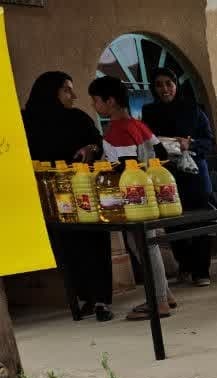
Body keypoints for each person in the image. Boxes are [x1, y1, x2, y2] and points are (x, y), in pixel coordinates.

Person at [22, 71, 114, 322]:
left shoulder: (78, 118)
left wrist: (91, 148)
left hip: (84, 191)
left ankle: (101, 299)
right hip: (53, 195)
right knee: (68, 246)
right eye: (66, 90)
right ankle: (83, 297)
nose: (73, 96)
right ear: (50, 91)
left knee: (94, 242)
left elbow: (97, 142)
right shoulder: (27, 121)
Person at [88, 75, 175, 321]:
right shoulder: (139, 125)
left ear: (110, 101)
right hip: (153, 195)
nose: (95, 105)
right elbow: (160, 152)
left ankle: (158, 302)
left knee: (145, 248)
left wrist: (104, 170)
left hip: (134, 199)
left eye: (95, 100)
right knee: (151, 245)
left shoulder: (117, 130)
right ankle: (165, 295)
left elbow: (128, 166)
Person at [142, 67, 217, 287]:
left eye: (169, 83)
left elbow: (209, 142)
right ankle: (185, 264)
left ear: (176, 85)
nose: (164, 89)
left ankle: (201, 270)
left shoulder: (193, 109)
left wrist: (189, 144)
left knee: (204, 218)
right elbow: (147, 144)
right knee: (173, 222)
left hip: (195, 174)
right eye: (158, 85)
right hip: (166, 174)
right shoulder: (149, 113)